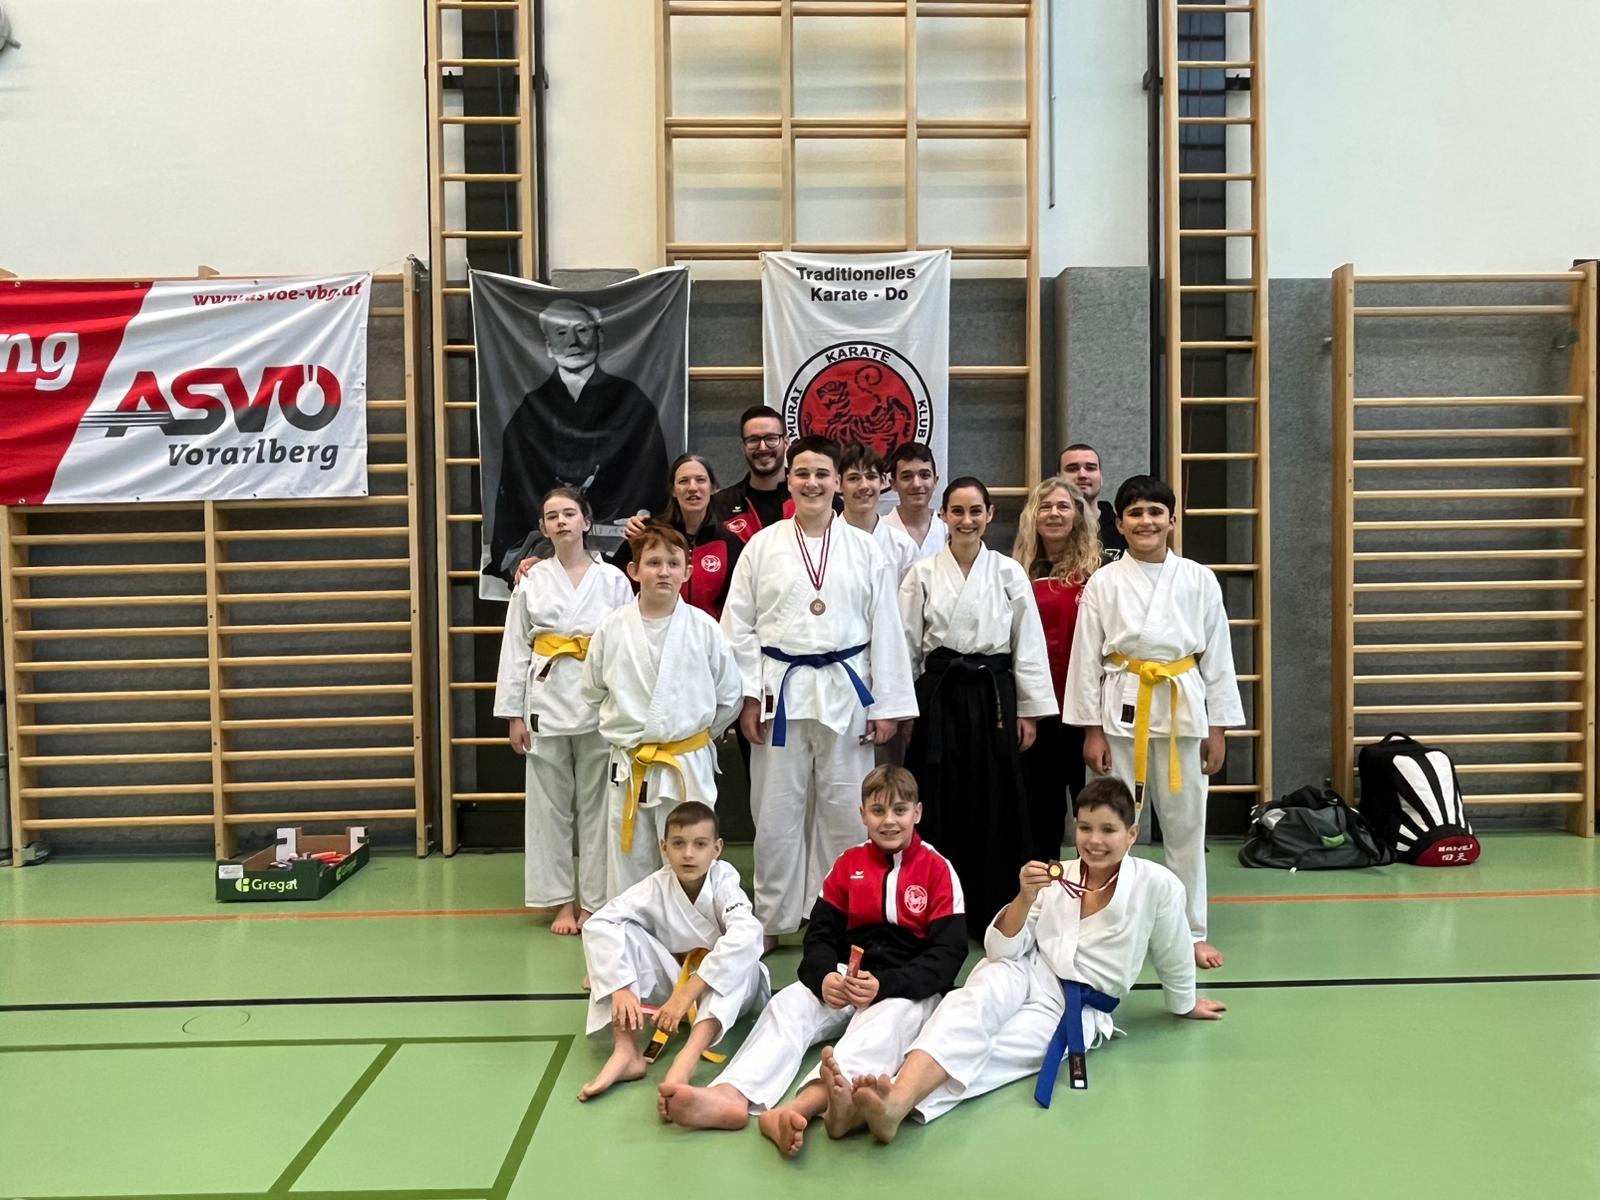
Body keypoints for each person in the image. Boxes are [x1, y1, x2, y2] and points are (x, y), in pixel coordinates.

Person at [830, 778, 1226, 1142]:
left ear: (1132, 834)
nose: (1095, 840)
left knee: (1000, 1049)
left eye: (1108, 830)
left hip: (1075, 1004)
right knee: (968, 1005)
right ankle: (891, 1101)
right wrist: (1024, 896)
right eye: (1086, 828)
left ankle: (886, 1105)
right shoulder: (1057, 875)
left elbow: (1174, 951)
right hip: (1025, 968)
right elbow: (1001, 950)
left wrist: (1185, 1003)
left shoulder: (1158, 885)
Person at [657, 766, 966, 1157]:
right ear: (862, 814)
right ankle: (731, 1095)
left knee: (882, 1028)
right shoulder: (847, 865)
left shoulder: (938, 870)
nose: (888, 821)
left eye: (899, 811)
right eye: (877, 811)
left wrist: (885, 987)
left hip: (906, 988)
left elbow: (947, 957)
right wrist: (823, 979)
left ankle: (795, 1110)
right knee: (788, 1005)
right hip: (847, 978)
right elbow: (819, 936)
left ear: (917, 813)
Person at [720, 435, 918, 950]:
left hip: (847, 691)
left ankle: (846, 915)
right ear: (789, 480)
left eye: (822, 474)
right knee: (776, 812)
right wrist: (745, 696)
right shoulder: (762, 546)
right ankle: (773, 918)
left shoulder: (864, 548)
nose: (812, 483)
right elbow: (737, 626)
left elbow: (886, 628)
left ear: (837, 483)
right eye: (802, 473)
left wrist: (889, 703)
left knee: (846, 810)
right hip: (779, 691)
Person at [1063, 475, 1244, 969]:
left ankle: (1190, 932)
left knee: (1187, 827)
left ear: (1172, 519)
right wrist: (1090, 729)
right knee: (1110, 827)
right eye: (1136, 513)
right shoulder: (1103, 581)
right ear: (1118, 523)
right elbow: (1085, 660)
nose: (1146, 521)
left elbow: (1219, 659)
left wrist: (1219, 727)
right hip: (1120, 711)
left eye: (1155, 512)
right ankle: (1103, 923)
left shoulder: (1199, 579)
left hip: (1183, 710)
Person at [897, 476, 1056, 938]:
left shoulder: (1008, 572)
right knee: (940, 794)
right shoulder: (922, 574)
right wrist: (905, 707)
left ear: (990, 516)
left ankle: (994, 904)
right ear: (943, 516)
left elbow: (1028, 645)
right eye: (957, 511)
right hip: (940, 693)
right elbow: (906, 645)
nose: (966, 520)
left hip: (994, 693)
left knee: (996, 797)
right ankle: (937, 905)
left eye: (975, 511)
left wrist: (1029, 709)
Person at [493, 487, 633, 932]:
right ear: (542, 528)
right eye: (552, 516)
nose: (561, 521)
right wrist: (514, 713)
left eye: (569, 513)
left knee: (598, 806)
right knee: (548, 807)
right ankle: (560, 902)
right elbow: (515, 649)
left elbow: (627, 647)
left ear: (586, 522)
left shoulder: (613, 580)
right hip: (545, 701)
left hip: (597, 702)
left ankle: (594, 899)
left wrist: (627, 706)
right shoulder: (531, 580)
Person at [583, 524, 745, 893]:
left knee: (691, 856)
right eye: (653, 562)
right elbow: (593, 691)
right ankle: (634, 942)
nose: (663, 571)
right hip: (631, 763)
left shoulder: (705, 629)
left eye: (673, 563)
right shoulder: (610, 629)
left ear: (687, 571)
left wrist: (692, 735)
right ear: (634, 571)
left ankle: (690, 937)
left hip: (685, 761)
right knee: (630, 862)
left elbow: (730, 697)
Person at [577, 802, 770, 1101]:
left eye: (700, 844)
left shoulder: (724, 880)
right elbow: (601, 922)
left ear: (717, 849)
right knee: (620, 930)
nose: (688, 853)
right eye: (679, 844)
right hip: (675, 987)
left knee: (740, 954)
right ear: (664, 847)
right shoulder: (656, 885)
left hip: (724, 993)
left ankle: (688, 1057)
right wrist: (620, 987)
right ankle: (627, 1051)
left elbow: (749, 934)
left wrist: (687, 994)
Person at [488, 299, 670, 582]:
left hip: (617, 553)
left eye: (582, 330)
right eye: (561, 333)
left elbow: (649, 476)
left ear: (599, 337)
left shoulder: (631, 400)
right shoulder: (530, 408)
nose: (573, 342)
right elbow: (515, 489)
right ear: (548, 346)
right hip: (551, 553)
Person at [1011, 476, 1102, 861]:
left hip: (1086, 709)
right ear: (1033, 516)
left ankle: (1096, 887)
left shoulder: (1098, 573)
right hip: (1039, 708)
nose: (1054, 513)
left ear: (1078, 515)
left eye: (1063, 506)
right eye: (1045, 506)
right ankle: (1043, 890)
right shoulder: (1015, 571)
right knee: (1041, 807)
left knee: (1093, 805)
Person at [609, 454, 745, 620]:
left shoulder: (729, 541)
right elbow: (615, 583)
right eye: (683, 481)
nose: (692, 487)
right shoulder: (648, 532)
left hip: (707, 638)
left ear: (713, 488)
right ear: (673, 490)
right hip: (651, 633)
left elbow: (739, 602)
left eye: (700, 480)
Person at [839, 442, 918, 585]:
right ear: (838, 484)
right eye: (853, 478)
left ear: (882, 481)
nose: (864, 486)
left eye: (871, 477)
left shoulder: (903, 547)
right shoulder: (824, 543)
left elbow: (911, 605)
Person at [712, 405, 792, 542]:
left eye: (771, 438)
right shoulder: (720, 504)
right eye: (753, 440)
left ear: (786, 442)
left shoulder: (813, 496)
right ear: (743, 447)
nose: (762, 447)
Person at [1058, 442, 1127, 561]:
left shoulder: (1123, 530)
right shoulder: (1049, 530)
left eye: (1090, 468)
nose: (1082, 475)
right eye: (1072, 469)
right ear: (1058, 477)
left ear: (1101, 476)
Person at [883, 441, 946, 561]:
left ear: (935, 481)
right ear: (893, 484)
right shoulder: (879, 532)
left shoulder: (948, 533)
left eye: (924, 475)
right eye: (907, 477)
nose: (916, 484)